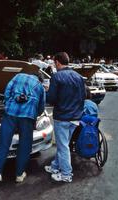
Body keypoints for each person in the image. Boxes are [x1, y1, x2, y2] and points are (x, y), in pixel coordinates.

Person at [0, 73, 45, 184]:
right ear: (40, 79)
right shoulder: (40, 86)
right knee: (25, 146)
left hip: (10, 114)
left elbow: (7, 92)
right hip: (28, 117)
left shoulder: (18, 76)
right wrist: (34, 114)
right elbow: (41, 107)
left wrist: (9, 103)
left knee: (3, 143)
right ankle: (19, 174)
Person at [45, 52, 85, 183]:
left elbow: (51, 99)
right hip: (75, 117)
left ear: (57, 62)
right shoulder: (78, 76)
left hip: (62, 117)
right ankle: (55, 166)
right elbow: (83, 95)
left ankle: (66, 174)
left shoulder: (56, 77)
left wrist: (46, 93)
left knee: (62, 146)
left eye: (54, 63)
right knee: (64, 145)